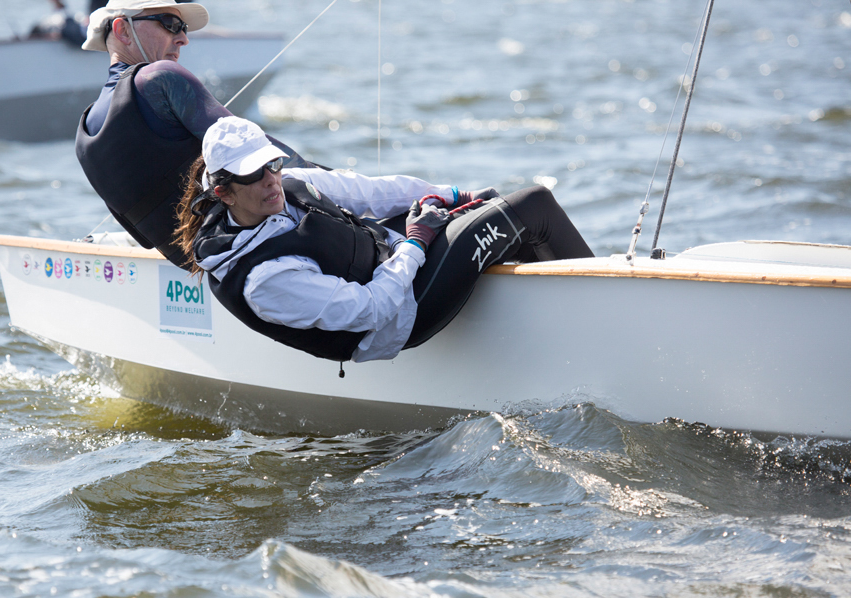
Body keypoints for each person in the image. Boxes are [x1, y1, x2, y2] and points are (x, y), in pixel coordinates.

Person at [175, 117, 595, 365]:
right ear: (224, 192)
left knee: (494, 212)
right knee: (534, 205)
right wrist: (416, 243)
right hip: (399, 317)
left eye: (273, 163)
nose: (271, 180)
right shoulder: (264, 281)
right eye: (254, 174)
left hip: (394, 260)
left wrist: (453, 195)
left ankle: (564, 334)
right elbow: (372, 308)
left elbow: (373, 192)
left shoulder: (288, 185)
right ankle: (601, 326)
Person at [75, 0, 307, 265]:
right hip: (266, 253)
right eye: (170, 24)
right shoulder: (160, 77)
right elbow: (257, 150)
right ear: (123, 30)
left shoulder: (84, 134)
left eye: (183, 28)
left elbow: (144, 238)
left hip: (203, 268)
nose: (183, 39)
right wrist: (333, 181)